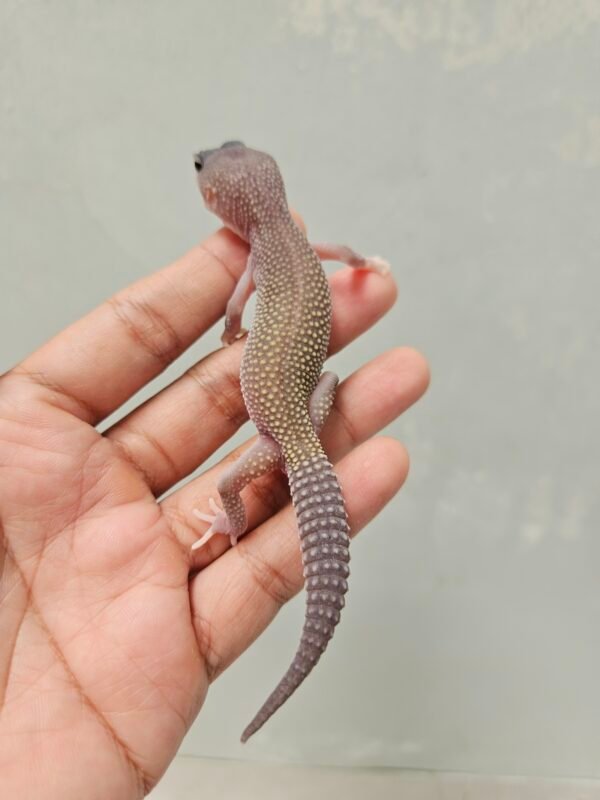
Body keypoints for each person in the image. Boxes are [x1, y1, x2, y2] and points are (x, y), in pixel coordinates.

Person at [0, 219, 429, 797]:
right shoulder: (303, 245)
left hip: (282, 439)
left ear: (223, 204)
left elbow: (234, 307)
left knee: (232, 484)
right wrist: (364, 265)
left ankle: (232, 518)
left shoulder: (258, 259)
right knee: (324, 380)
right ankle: (235, 515)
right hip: (305, 420)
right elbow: (341, 253)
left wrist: (232, 330)